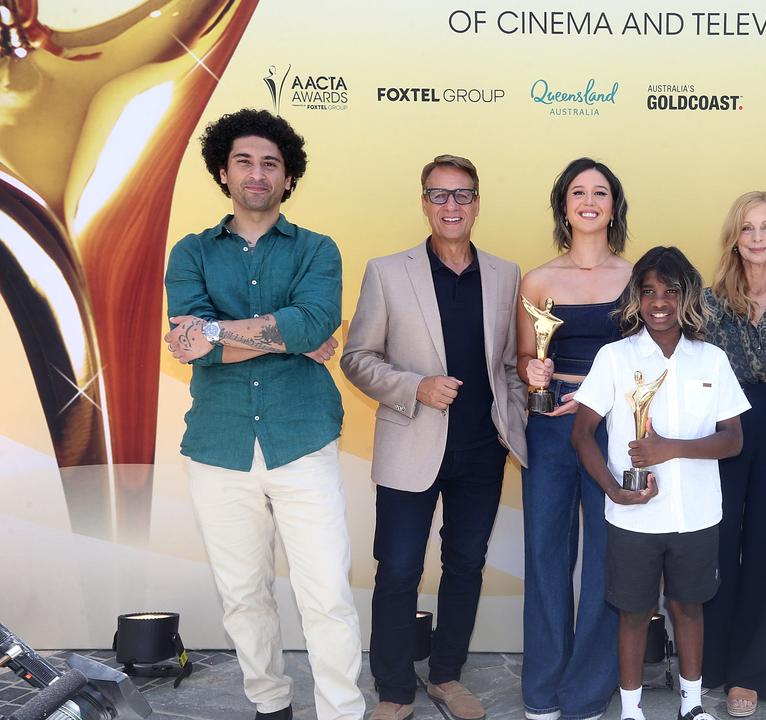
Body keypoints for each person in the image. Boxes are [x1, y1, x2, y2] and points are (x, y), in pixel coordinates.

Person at [163, 108, 360, 720]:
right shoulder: (191, 251)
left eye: (270, 163)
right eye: (244, 161)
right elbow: (189, 340)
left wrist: (221, 333)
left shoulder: (318, 249)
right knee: (244, 596)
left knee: (326, 595)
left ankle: (341, 710)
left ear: (288, 178)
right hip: (219, 446)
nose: (257, 173)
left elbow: (313, 322)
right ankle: (269, 705)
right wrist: (286, 332)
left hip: (301, 439)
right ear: (223, 171)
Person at [340, 154, 528, 720]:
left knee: (466, 564)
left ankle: (447, 675)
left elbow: (513, 367)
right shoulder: (386, 271)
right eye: (440, 195)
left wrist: (511, 420)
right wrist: (414, 386)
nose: (452, 206)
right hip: (410, 445)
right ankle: (394, 690)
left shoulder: (505, 274)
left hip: (481, 450)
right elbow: (357, 357)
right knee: (398, 568)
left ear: (477, 203)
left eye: (463, 195)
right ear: (424, 202)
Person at [571, 247, 751, 720]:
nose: (659, 301)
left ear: (686, 296)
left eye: (670, 291)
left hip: (695, 514)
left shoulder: (710, 359)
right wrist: (613, 489)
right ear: (635, 296)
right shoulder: (615, 357)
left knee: (689, 608)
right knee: (632, 613)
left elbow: (733, 440)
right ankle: (632, 711)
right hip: (634, 518)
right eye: (648, 291)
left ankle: (691, 707)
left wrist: (670, 448)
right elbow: (581, 433)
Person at [518, 158, 632, 720]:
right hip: (551, 424)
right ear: (564, 205)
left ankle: (587, 690)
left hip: (610, 425)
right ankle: (541, 688)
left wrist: (599, 393)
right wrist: (531, 373)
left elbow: (644, 362)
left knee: (606, 558)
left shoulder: (635, 278)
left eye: (601, 192)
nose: (590, 201)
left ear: (614, 205)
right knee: (544, 553)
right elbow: (524, 356)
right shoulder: (538, 280)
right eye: (578, 192)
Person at [700, 192, 766, 717]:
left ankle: (752, 670)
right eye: (748, 228)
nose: (759, 237)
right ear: (734, 237)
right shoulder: (707, 300)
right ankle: (713, 664)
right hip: (722, 424)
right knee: (719, 545)